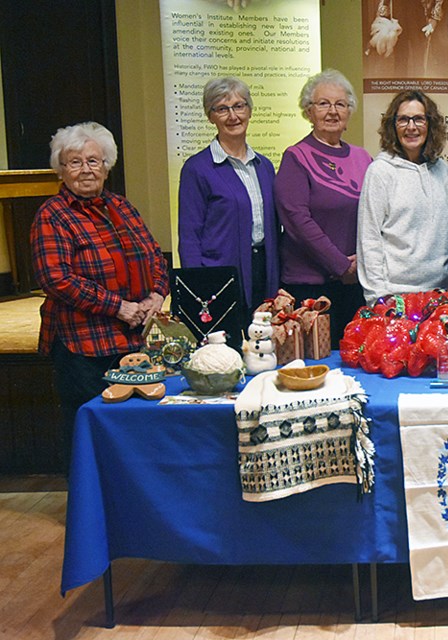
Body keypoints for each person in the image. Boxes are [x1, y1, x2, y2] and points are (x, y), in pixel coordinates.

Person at [30, 122, 169, 468]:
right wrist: (119, 307)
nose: (86, 170)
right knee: (89, 437)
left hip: (132, 341)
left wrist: (156, 295)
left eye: (94, 161)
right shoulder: (52, 215)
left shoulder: (122, 206)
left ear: (107, 166)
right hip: (83, 347)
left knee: (132, 436)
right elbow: (56, 278)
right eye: (74, 162)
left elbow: (154, 255)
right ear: (60, 170)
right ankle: (88, 512)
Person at [275, 69, 373, 341]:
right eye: (323, 104)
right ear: (308, 112)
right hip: (310, 289)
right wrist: (341, 265)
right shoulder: (296, 157)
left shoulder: (363, 158)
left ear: (349, 112)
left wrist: (362, 263)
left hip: (356, 284)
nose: (332, 111)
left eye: (340, 104)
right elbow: (297, 221)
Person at [178, 76, 279, 314]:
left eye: (239, 106)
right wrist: (198, 286)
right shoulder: (197, 168)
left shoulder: (264, 166)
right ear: (210, 116)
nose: (233, 116)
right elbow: (190, 236)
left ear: (250, 111)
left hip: (264, 271)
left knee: (263, 344)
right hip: (220, 276)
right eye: (222, 109)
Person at [357, 90, 448, 305]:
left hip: (439, 296)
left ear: (430, 125)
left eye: (419, 119)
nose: (411, 127)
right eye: (403, 119)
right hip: (394, 299)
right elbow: (369, 239)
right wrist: (378, 297)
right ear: (393, 125)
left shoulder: (443, 171)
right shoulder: (380, 172)